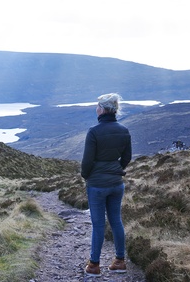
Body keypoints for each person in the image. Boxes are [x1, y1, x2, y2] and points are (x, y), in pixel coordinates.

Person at [81, 93, 132, 276]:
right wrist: (115, 169)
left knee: (98, 224)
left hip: (96, 185)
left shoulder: (94, 132)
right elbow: (126, 158)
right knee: (116, 221)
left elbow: (87, 162)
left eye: (97, 106)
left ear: (102, 109)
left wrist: (86, 176)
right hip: (117, 183)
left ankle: (94, 266)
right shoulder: (124, 130)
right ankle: (119, 261)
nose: (96, 109)